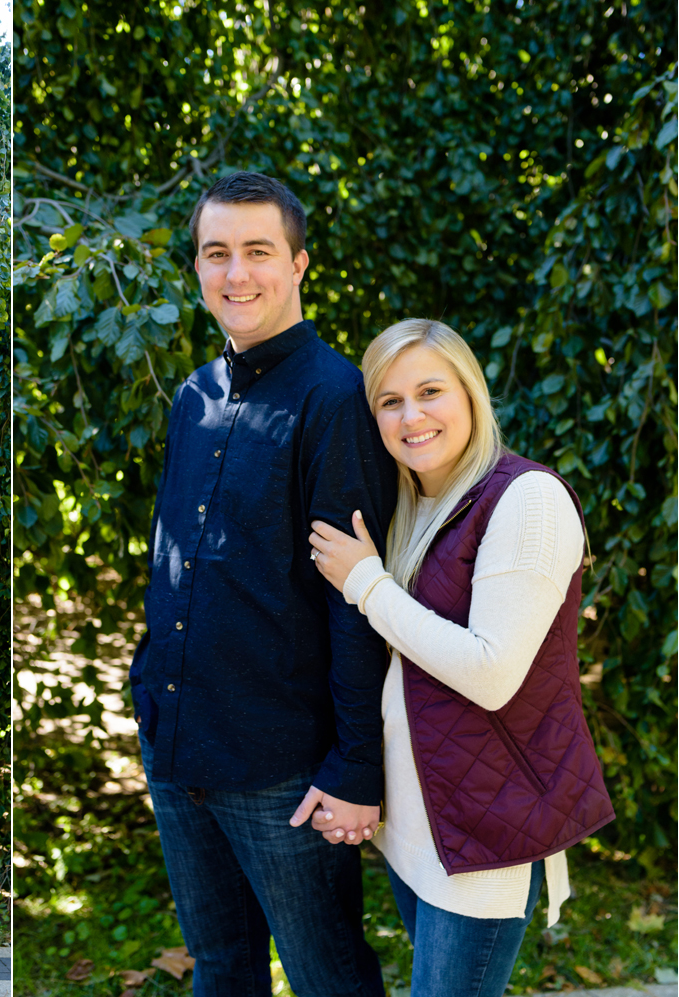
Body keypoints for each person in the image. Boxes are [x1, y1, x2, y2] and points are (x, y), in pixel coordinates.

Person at [129, 171, 395, 997]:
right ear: (198, 268)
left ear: (299, 264)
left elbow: (356, 602)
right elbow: (173, 558)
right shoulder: (193, 397)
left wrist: (358, 764)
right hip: (175, 743)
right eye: (217, 254)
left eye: (257, 252)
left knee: (329, 978)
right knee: (222, 968)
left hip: (283, 767)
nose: (236, 274)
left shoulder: (336, 397)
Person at [307, 319, 613, 997]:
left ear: (470, 393)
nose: (412, 415)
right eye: (389, 400)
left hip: (483, 834)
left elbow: (491, 672)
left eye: (430, 391)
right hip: (417, 827)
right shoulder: (411, 502)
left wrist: (366, 583)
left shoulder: (528, 499)